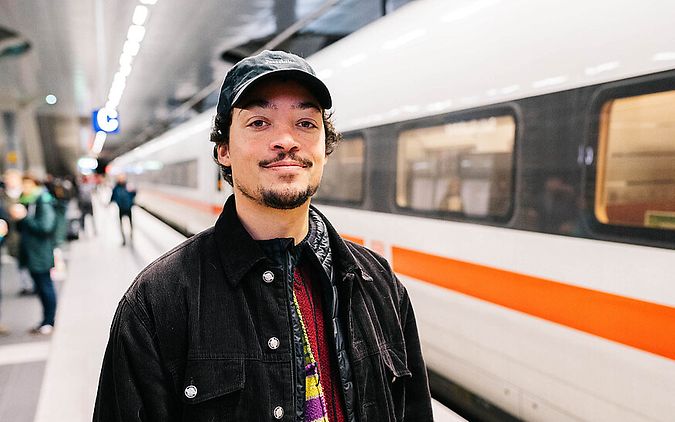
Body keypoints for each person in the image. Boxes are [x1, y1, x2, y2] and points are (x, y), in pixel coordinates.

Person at [94, 50, 433, 422]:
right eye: (259, 122)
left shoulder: (379, 284)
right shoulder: (156, 303)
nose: (286, 140)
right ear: (224, 150)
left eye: (306, 123)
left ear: (325, 148)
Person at [9, 175, 58, 335]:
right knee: (40, 287)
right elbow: (21, 229)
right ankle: (45, 321)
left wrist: (25, 217)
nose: (25, 188)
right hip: (31, 252)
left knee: (45, 286)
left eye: (28, 185)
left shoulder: (42, 200)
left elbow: (46, 226)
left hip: (40, 252)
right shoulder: (26, 201)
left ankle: (49, 321)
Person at [1, 169, 35, 295]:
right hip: (13, 233)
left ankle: (33, 283)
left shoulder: (27, 194)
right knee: (18, 260)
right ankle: (25, 284)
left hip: (28, 232)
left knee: (31, 259)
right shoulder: (3, 196)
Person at [109, 174, 135, 246]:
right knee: (121, 225)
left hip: (128, 208)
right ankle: (124, 239)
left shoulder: (128, 186)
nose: (121, 179)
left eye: (123, 178)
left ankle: (131, 236)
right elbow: (113, 197)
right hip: (121, 209)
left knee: (130, 223)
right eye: (120, 178)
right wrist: (109, 204)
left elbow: (134, 194)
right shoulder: (116, 188)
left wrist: (133, 191)